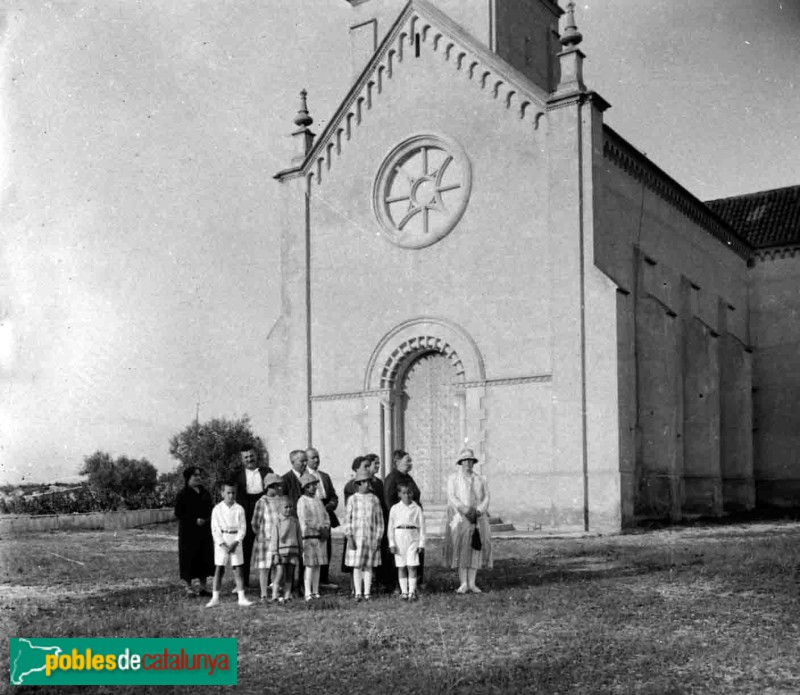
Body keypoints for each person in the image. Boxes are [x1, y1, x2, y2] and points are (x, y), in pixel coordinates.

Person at [443, 448, 492, 594]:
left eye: (470, 460)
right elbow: (452, 496)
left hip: (477, 518)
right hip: (461, 518)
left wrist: (478, 511)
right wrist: (464, 509)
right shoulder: (454, 479)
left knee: (475, 547)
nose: (468, 463)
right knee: (462, 548)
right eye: (465, 461)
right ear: (460, 462)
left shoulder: (480, 479)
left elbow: (486, 497)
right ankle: (463, 582)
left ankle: (472, 582)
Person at [206, 480, 253, 607]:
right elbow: (214, 529)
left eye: (233, 493)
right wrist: (223, 544)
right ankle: (215, 598)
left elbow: (243, 528)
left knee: (238, 569)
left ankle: (241, 598)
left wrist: (236, 542)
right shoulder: (217, 509)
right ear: (222, 493)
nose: (231, 495)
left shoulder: (239, 509)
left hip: (235, 540)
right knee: (219, 568)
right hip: (222, 540)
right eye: (228, 493)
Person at [383, 449, 424, 587]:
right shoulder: (392, 478)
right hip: (400, 525)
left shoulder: (408, 477)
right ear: (397, 462)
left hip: (413, 521)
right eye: (408, 461)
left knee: (413, 556)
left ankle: (414, 584)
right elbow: (389, 501)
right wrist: (402, 517)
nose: (410, 463)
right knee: (399, 558)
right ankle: (398, 585)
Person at [344, 468, 384, 601]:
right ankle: (358, 592)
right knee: (357, 565)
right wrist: (349, 536)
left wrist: (378, 538)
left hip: (370, 538)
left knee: (368, 565)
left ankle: (367, 592)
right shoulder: (352, 499)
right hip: (356, 538)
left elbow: (379, 521)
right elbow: (347, 519)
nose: (368, 484)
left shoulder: (374, 499)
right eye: (365, 482)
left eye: (369, 482)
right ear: (359, 483)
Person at [235, 447, 272, 589]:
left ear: (256, 456)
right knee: (245, 548)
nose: (249, 459)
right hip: (246, 511)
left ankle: (270, 582)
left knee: (269, 545)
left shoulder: (267, 471)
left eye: (251, 456)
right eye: (246, 457)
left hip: (264, 509)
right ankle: (243, 582)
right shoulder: (237, 475)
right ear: (242, 459)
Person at [174, 466, 214, 597]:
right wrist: (194, 520)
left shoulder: (205, 493)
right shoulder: (182, 494)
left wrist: (206, 519)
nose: (198, 477)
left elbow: (211, 509)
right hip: (188, 533)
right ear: (188, 478)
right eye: (195, 475)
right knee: (188, 559)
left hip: (204, 531)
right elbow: (178, 513)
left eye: (199, 475)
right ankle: (189, 587)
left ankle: (203, 587)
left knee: (203, 557)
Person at [305, 447, 339, 588]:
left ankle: (324, 579)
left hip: (325, 512)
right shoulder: (303, 475)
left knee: (326, 546)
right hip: (311, 512)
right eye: (313, 457)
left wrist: (331, 504)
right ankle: (309, 581)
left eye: (317, 457)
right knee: (312, 547)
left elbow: (333, 495)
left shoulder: (324, 476)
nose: (316, 460)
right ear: (306, 460)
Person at [387, 483, 426, 601]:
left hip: (412, 538)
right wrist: (392, 543)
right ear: (399, 494)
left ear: (412, 493)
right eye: (404, 493)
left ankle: (411, 592)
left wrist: (421, 543)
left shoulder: (417, 508)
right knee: (401, 566)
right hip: (399, 538)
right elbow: (390, 528)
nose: (407, 495)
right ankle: (404, 592)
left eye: (409, 493)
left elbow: (422, 527)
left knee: (412, 565)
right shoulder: (395, 508)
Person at [251, 473, 285, 602]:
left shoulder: (279, 500)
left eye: (279, 486)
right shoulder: (262, 502)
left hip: (278, 540)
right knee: (264, 568)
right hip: (265, 540)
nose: (278, 489)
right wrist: (261, 535)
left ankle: (275, 593)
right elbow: (255, 522)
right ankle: (264, 594)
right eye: (276, 486)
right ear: (269, 487)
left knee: (277, 566)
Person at [297, 472, 331, 601]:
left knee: (318, 565)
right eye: (312, 485)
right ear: (306, 487)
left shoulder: (317, 500)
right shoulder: (302, 501)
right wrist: (318, 527)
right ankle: (307, 591)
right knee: (310, 565)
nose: (315, 487)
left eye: (315, 485)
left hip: (320, 537)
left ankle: (316, 590)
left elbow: (325, 515)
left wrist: (326, 527)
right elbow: (305, 519)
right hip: (309, 537)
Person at [281, 449, 308, 590]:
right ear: (292, 462)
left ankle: (303, 585)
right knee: (290, 556)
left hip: (305, 523)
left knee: (304, 555)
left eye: (305, 460)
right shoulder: (285, 480)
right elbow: (283, 503)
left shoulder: (308, 478)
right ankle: (288, 586)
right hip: (292, 522)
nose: (305, 463)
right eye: (302, 461)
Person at [270, 500, 303, 603]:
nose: (288, 509)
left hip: (293, 551)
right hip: (281, 552)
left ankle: (287, 595)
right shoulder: (277, 521)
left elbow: (299, 536)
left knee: (290, 574)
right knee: (280, 574)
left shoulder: (295, 521)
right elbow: (274, 538)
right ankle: (274, 595)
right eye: (286, 507)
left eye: (290, 507)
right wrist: (275, 553)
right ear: (280, 508)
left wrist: (300, 549)